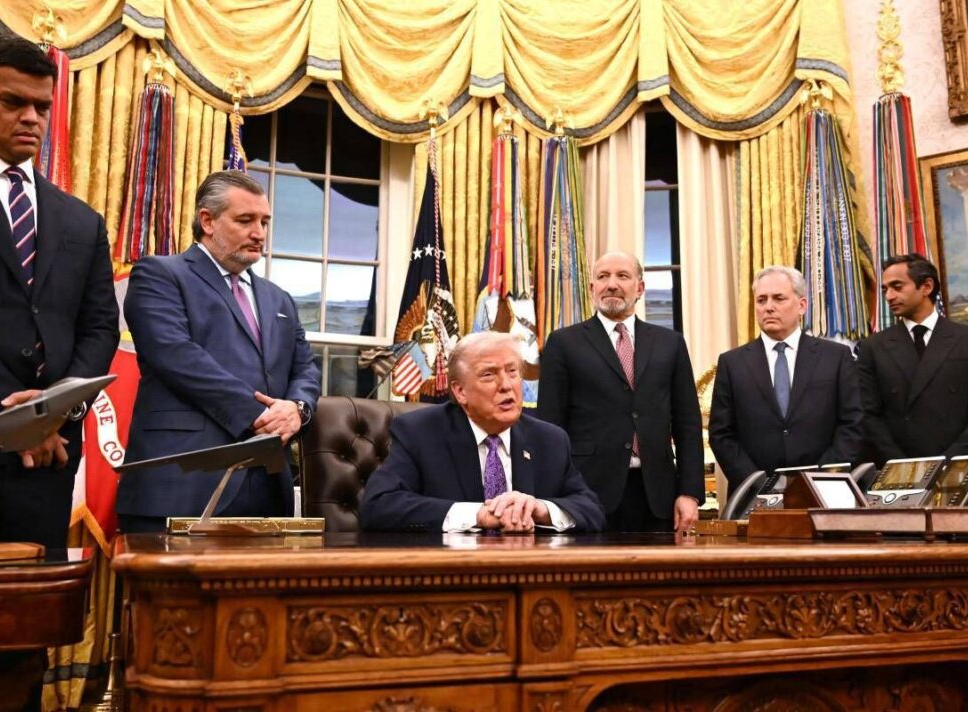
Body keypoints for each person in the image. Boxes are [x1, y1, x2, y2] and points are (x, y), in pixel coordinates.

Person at [0, 36, 119, 553]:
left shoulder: (83, 220)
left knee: (32, 606)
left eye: (42, 107)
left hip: (47, 460)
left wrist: (54, 414)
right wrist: (17, 418)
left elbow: (100, 328)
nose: (31, 117)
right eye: (13, 102)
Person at [117, 170, 320, 533]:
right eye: (245, 220)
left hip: (267, 490)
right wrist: (262, 416)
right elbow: (177, 356)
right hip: (180, 487)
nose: (259, 233)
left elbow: (305, 368)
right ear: (207, 221)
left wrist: (297, 409)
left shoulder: (280, 299)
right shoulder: (160, 275)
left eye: (264, 222)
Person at [360, 331, 605, 533]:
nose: (506, 386)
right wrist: (477, 515)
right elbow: (378, 506)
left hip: (528, 568)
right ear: (460, 392)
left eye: (512, 372)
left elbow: (591, 510)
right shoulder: (419, 432)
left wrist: (540, 509)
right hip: (451, 570)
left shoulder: (549, 439)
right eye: (489, 375)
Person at [536, 251, 703, 533]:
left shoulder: (670, 344)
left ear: (640, 288)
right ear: (592, 288)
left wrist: (689, 492)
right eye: (603, 277)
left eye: (622, 276)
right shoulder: (563, 343)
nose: (611, 284)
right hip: (586, 495)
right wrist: (553, 495)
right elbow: (550, 426)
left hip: (658, 496)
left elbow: (688, 424)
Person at [708, 266, 863, 490]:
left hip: (824, 490)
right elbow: (721, 433)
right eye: (761, 300)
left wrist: (820, 480)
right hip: (755, 493)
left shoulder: (836, 357)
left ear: (802, 305)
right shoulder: (732, 363)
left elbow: (852, 423)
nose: (768, 307)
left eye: (778, 298)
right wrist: (758, 483)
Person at [858, 253, 968, 464]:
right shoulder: (872, 347)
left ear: (927, 286)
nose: (889, 296)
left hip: (961, 470)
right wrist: (903, 466)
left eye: (897, 286)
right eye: (885, 290)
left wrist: (948, 464)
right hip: (900, 471)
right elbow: (868, 416)